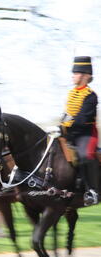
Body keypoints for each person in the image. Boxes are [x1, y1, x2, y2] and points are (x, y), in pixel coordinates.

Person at [61, 56, 99, 206]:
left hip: (86, 134)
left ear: (85, 76)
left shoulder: (91, 96)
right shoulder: (71, 94)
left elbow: (83, 119)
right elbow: (67, 113)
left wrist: (67, 125)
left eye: (76, 73)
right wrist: (61, 126)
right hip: (70, 133)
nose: (73, 76)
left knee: (85, 155)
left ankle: (93, 191)